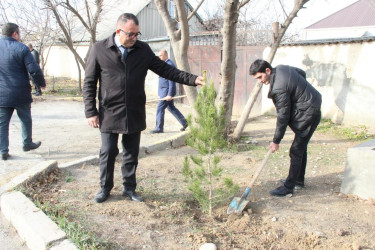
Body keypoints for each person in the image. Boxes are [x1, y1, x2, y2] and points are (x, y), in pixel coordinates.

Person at [83, 13, 204, 203]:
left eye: (137, 34)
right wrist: (91, 111)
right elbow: (89, 82)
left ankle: (129, 188)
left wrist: (192, 79)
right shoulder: (99, 49)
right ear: (118, 31)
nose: (134, 38)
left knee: (131, 152)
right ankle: (105, 188)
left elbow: (166, 70)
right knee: (108, 151)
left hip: (134, 109)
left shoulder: (143, 50)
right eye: (131, 34)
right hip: (109, 111)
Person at [249, 59, 321, 197]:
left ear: (268, 70)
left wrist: (276, 141)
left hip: (309, 115)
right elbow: (301, 73)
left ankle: (289, 187)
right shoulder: (282, 68)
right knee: (300, 147)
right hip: (312, 106)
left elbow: (283, 116)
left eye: (260, 77)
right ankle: (298, 180)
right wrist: (299, 91)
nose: (259, 81)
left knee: (296, 150)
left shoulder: (279, 88)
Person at [0, 23, 46, 161]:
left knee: (2, 123)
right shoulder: (22, 48)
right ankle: (27, 144)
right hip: (20, 92)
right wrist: (41, 83)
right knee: (25, 119)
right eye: (19, 33)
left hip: (2, 93)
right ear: (15, 33)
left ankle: (3, 150)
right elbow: (34, 69)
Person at [150, 50, 188, 133]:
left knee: (160, 108)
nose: (159, 57)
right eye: (158, 56)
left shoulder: (169, 64)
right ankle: (184, 122)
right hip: (165, 91)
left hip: (166, 92)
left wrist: (169, 94)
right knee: (171, 108)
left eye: (161, 55)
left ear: (166, 55)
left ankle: (159, 128)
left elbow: (171, 80)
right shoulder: (165, 63)